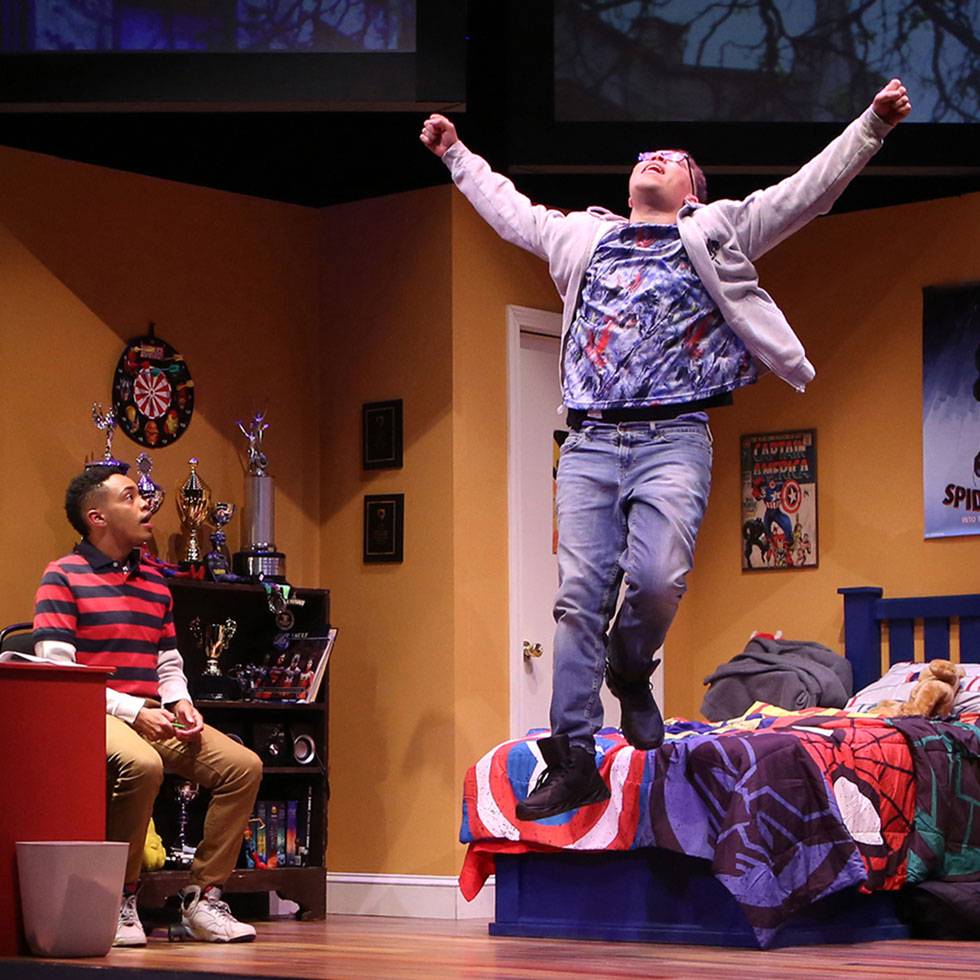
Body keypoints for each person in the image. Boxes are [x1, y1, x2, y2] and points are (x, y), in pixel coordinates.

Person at [421, 80, 911, 820]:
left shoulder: (718, 230)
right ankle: (577, 753)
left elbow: (808, 191)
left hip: (674, 437)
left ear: (690, 193)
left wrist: (872, 125)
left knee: (655, 580)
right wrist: (458, 155)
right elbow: (510, 212)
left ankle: (630, 664)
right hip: (589, 441)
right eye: (644, 154)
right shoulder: (582, 237)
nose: (652, 158)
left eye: (671, 157)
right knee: (577, 601)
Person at [32, 465, 263, 945]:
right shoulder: (62, 576)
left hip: (151, 713)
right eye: (131, 496)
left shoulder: (154, 582)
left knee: (243, 766)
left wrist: (180, 701)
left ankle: (204, 899)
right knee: (143, 764)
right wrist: (134, 711)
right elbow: (61, 675)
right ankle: (117, 898)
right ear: (97, 516)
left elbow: (168, 659)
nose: (146, 504)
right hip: (90, 713)